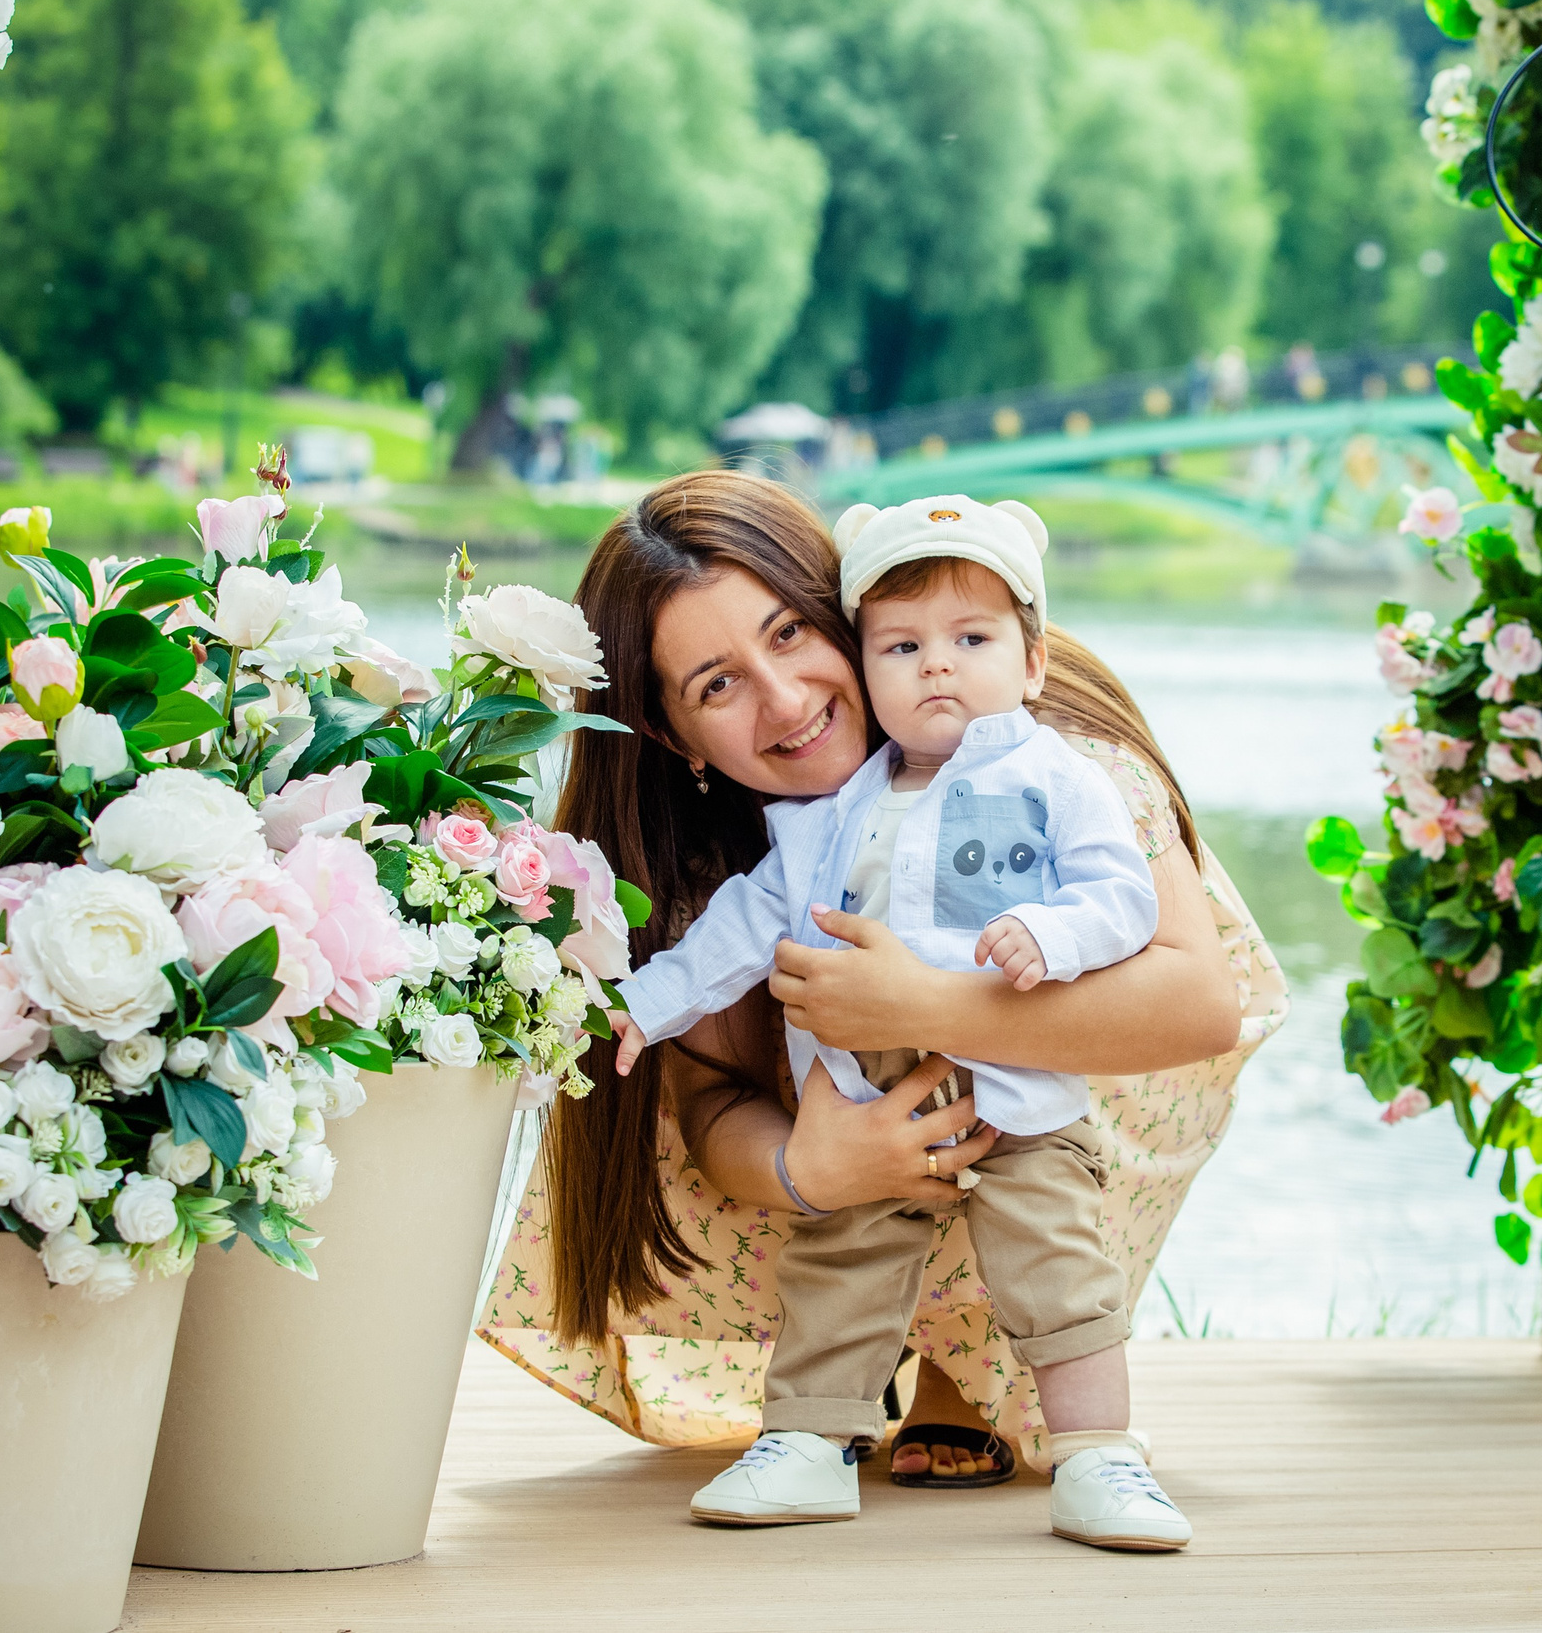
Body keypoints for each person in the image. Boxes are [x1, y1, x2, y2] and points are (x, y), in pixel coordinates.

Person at [473, 469, 1287, 1506]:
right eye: (716, 685)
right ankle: (819, 1429)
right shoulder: (752, 847)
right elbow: (712, 1093)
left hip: (1057, 1105)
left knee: (1045, 1231)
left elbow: (1194, 1006)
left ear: (841, 614)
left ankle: (1041, 1412)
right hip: (859, 1127)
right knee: (829, 1229)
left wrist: (925, 1006)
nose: (784, 701)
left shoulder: (1045, 752)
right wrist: (810, 1165)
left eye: (788, 635)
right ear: (676, 736)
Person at [607, 494, 1183, 1547]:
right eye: (905, 647)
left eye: (969, 642)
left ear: (1031, 659)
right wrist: (644, 1001)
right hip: (865, 1100)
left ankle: (1101, 1454)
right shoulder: (833, 814)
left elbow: (1121, 898)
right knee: (839, 1263)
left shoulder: (1053, 775)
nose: (936, 669)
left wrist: (1049, 939)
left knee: (1058, 1264)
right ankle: (810, 1442)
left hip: (1017, 1097)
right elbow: (743, 924)